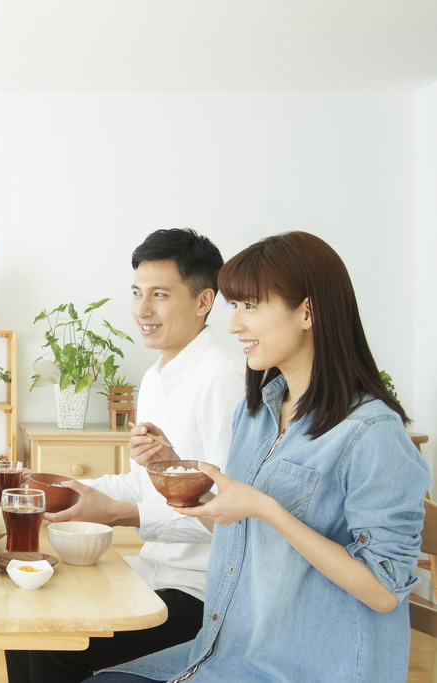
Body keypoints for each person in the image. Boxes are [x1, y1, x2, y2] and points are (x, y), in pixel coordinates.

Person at [93, 231, 430, 682]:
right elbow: (238, 533)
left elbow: (385, 591)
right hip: (228, 654)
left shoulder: (372, 433)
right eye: (234, 307)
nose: (234, 325)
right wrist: (180, 472)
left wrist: (266, 509)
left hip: (310, 668)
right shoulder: (255, 413)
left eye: (250, 306)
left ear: (306, 311)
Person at [7, 228, 244, 682]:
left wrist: (120, 514)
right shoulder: (156, 378)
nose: (142, 310)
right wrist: (72, 488)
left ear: (203, 301)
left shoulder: (223, 379)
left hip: (202, 593)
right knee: (28, 626)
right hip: (151, 573)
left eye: (159, 294)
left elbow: (229, 517)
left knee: (57, 647)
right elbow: (142, 483)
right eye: (136, 293)